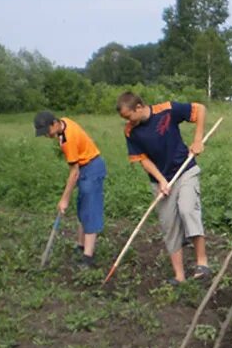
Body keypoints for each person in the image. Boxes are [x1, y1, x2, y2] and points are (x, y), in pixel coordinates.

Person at [116, 92, 210, 284]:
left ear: (139, 107)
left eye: (128, 116)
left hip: (185, 170)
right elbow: (142, 158)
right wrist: (160, 180)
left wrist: (198, 139)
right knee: (169, 225)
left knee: (187, 209)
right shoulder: (130, 131)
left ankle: (202, 262)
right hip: (160, 180)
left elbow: (200, 109)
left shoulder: (167, 110)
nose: (128, 121)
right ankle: (180, 276)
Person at [34, 111, 107, 268]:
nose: (47, 136)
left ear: (54, 123)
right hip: (86, 166)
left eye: (47, 131)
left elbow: (74, 173)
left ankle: (88, 258)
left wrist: (64, 199)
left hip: (91, 168)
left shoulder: (68, 140)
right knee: (82, 208)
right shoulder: (64, 122)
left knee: (90, 210)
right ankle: (81, 246)